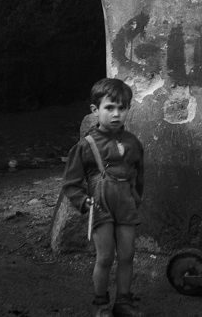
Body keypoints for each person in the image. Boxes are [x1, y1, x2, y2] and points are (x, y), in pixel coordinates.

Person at [62, 78, 144, 317]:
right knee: (106, 256)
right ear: (95, 110)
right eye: (109, 108)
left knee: (128, 254)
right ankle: (101, 304)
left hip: (126, 204)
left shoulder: (133, 143)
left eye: (122, 108)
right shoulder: (86, 145)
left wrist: (136, 198)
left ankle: (124, 302)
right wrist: (82, 201)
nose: (116, 114)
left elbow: (140, 176)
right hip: (101, 205)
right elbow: (71, 183)